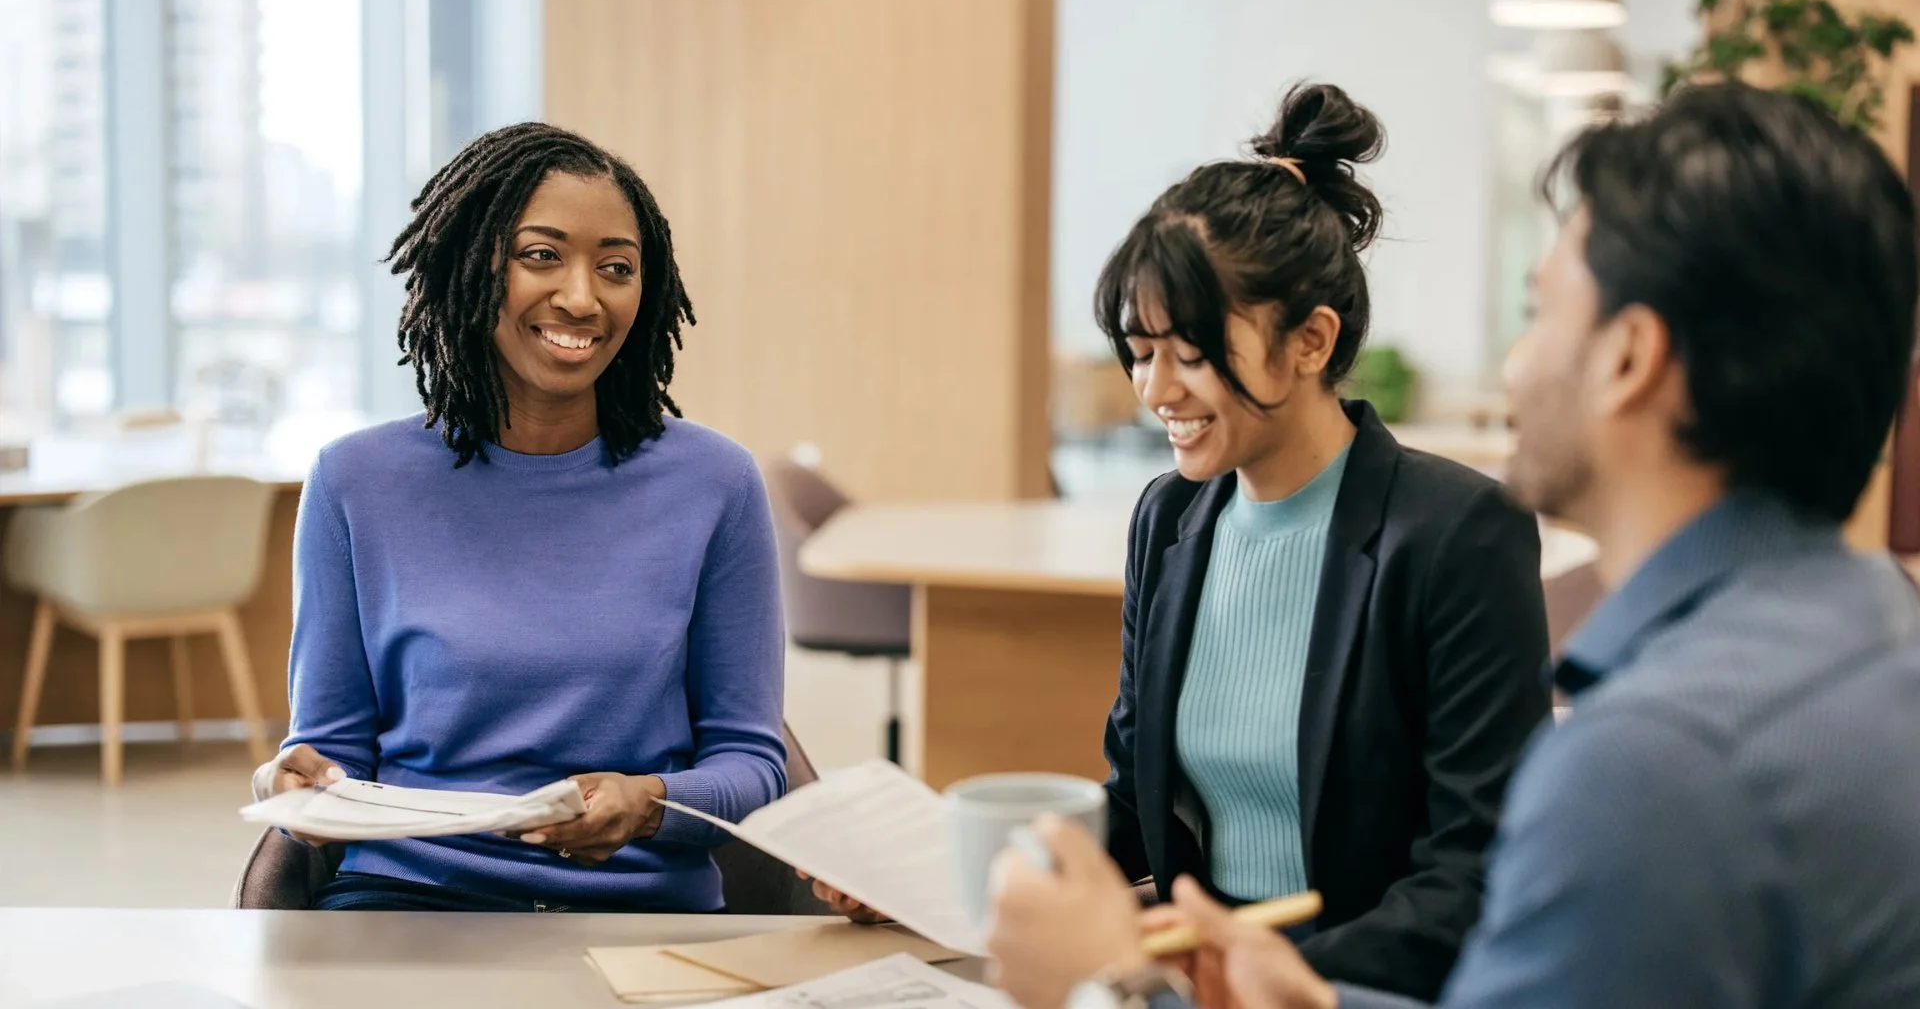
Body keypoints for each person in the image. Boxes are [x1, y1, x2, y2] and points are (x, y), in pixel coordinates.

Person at [986, 82, 1920, 1009]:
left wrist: (1116, 989)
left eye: (1539, 310)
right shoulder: (1880, 634)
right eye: (1140, 351)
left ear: (1629, 358)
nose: (1515, 363)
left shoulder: (1647, 763)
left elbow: (1473, 877)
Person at [821, 83, 1552, 1001]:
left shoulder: (1455, 534)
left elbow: (1478, 873)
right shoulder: (1171, 520)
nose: (1155, 388)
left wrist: (1255, 978)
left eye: (1191, 352)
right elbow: (1134, 803)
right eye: (1138, 348)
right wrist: (937, 879)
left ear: (1311, 341)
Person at [248, 122, 787, 912]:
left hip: (639, 909)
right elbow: (328, 749)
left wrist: (653, 803)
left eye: (615, 268)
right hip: (410, 905)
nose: (581, 296)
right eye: (542, 255)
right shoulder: (354, 482)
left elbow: (753, 764)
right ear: (469, 265)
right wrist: (294, 779)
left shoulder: (716, 483)